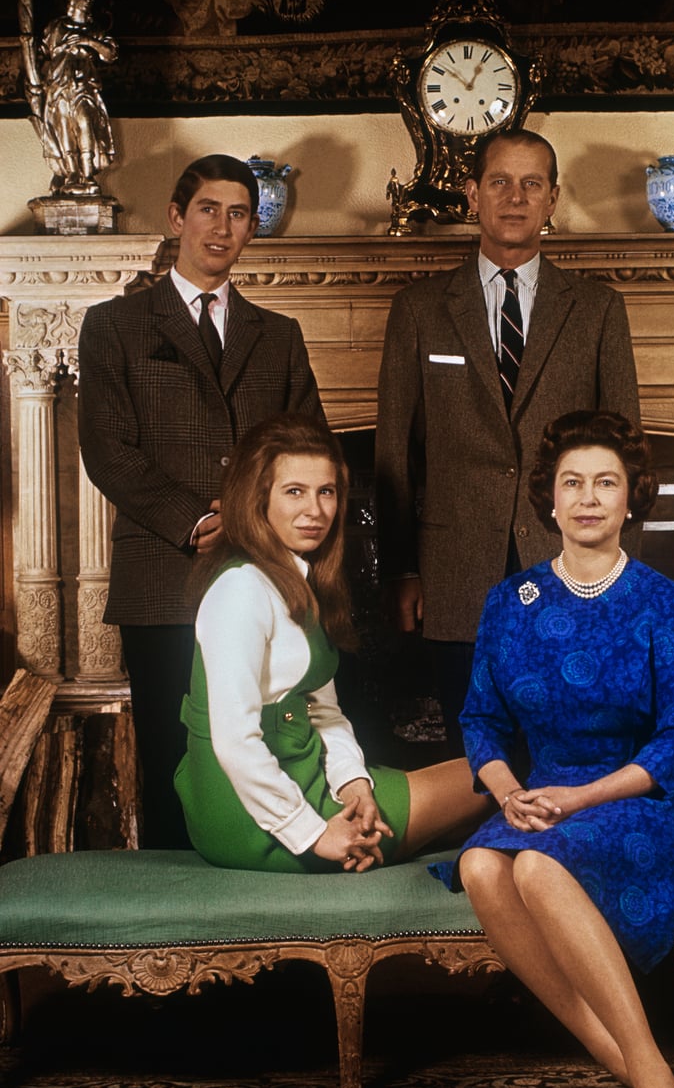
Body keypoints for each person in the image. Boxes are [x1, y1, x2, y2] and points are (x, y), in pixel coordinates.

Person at [430, 409, 674, 1088]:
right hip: (542, 792)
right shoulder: (509, 602)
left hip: (638, 798)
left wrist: (580, 800)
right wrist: (509, 789)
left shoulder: (664, 603)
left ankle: (650, 1072)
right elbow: (480, 721)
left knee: (540, 864)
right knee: (482, 862)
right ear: (549, 501)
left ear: (631, 499)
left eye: (606, 483)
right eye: (572, 483)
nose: (588, 498)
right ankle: (632, 1065)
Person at [78, 154, 323, 848]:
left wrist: (247, 523)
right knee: (173, 761)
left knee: (263, 755)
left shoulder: (279, 337)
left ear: (252, 228)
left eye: (239, 213)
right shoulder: (113, 327)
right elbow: (108, 451)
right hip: (161, 580)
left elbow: (307, 447)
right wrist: (195, 519)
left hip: (262, 578)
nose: (222, 226)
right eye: (209, 209)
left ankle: (263, 931)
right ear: (177, 218)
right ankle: (173, 945)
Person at [375, 128, 640, 754]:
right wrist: (402, 570)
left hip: (569, 561)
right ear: (472, 195)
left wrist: (611, 563)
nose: (514, 197)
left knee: (566, 743)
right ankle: (481, 853)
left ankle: (552, 851)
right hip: (454, 570)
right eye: (499, 182)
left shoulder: (599, 308)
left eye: (531, 184)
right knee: (473, 750)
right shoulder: (418, 309)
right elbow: (393, 453)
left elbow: (624, 450)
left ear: (553, 199)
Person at [174, 413, 486, 871]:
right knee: (498, 778)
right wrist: (316, 834)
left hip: (306, 778)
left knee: (485, 801)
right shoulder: (241, 589)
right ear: (256, 499)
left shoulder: (296, 579)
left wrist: (353, 784)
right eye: (294, 491)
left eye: (327, 492)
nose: (315, 510)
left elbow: (323, 712)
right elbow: (234, 741)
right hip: (253, 816)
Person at [38, 0, 118, 196]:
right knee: (64, 126)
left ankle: (87, 172)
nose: (77, 3)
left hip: (84, 86)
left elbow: (109, 54)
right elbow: (44, 52)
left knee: (85, 123)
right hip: (59, 86)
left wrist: (86, 41)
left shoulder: (95, 30)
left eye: (83, 0)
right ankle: (72, 173)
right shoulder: (56, 26)